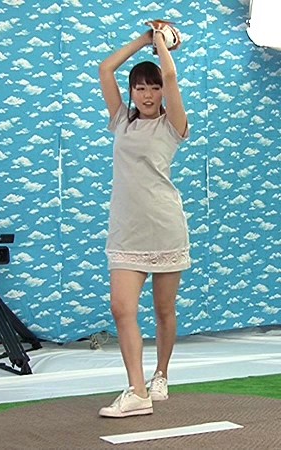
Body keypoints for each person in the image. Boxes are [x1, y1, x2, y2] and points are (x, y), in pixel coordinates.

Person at [96, 22, 190, 418]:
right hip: (126, 231)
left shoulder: (173, 125)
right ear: (132, 92)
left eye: (154, 87)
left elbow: (171, 76)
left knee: (164, 310)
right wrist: (144, 40)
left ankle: (161, 375)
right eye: (140, 88)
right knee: (121, 308)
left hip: (165, 227)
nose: (148, 94)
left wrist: (162, 44)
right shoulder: (122, 120)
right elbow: (105, 69)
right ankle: (137, 391)